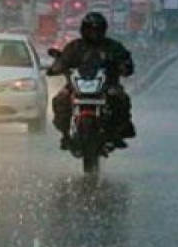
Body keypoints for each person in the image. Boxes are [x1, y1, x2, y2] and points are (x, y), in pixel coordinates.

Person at [48, 12, 136, 149]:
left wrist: (124, 66)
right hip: (77, 84)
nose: (93, 33)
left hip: (107, 85)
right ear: (84, 29)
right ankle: (65, 134)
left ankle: (118, 131)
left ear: (103, 30)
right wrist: (56, 68)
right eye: (90, 30)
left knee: (121, 98)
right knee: (61, 99)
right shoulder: (75, 46)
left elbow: (125, 60)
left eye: (97, 30)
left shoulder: (113, 47)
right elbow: (63, 60)